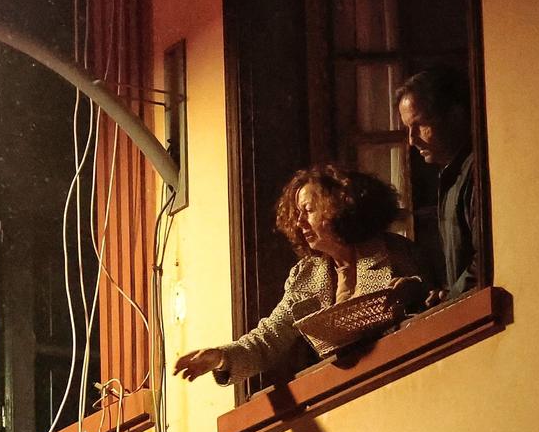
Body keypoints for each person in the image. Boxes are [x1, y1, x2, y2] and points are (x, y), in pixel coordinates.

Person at [175, 164, 431, 384]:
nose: (299, 222)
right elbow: (268, 340)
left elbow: (433, 306)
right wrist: (221, 358)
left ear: (340, 205)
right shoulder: (306, 275)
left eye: (307, 211)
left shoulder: (396, 253)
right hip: (342, 394)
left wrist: (412, 294)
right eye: (296, 214)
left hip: (403, 377)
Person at [396, 64, 479, 297]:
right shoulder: (452, 176)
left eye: (420, 125)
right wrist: (445, 293)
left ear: (455, 115)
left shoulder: (476, 172)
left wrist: (451, 299)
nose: (412, 140)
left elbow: (487, 259)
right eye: (408, 129)